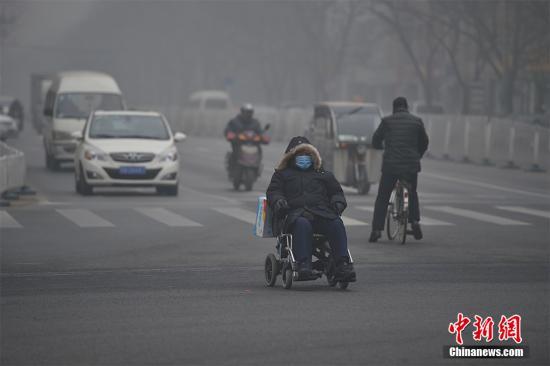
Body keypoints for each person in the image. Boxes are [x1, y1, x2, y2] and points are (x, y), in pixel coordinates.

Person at [266, 136, 356, 281]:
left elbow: (336, 192)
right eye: (300, 155)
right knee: (303, 224)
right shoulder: (282, 175)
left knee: (336, 223)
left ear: (313, 156)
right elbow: (273, 192)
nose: (304, 158)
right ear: (291, 156)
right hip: (295, 215)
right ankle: (303, 265)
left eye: (307, 155)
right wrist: (279, 201)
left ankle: (342, 265)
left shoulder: (323, 174)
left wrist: (338, 202)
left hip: (321, 213)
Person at [369, 97, 429, 242]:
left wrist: (381, 148)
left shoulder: (387, 121)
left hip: (391, 165)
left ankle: (376, 230)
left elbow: (376, 139)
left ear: (394, 108)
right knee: (412, 192)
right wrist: (417, 155)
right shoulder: (417, 121)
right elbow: (424, 142)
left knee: (383, 196)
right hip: (411, 165)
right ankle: (414, 221)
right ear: (407, 107)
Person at [224, 103, 263, 169]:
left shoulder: (255, 122)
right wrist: (230, 135)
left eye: (250, 112)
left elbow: (260, 131)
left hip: (252, 143)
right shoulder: (235, 121)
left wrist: (263, 136)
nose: (248, 114)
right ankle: (232, 165)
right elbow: (228, 130)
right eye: (247, 112)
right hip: (239, 142)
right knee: (235, 150)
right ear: (242, 112)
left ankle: (257, 165)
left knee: (259, 150)